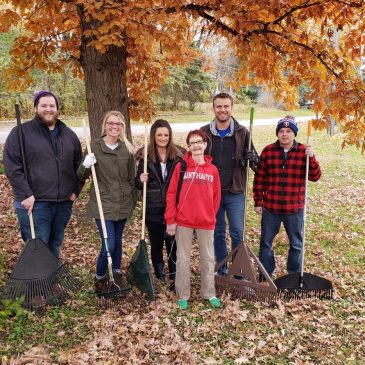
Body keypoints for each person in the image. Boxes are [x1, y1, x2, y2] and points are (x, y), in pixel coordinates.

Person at [3, 90, 82, 258]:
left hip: (63, 202)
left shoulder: (68, 135)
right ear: (35, 108)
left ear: (57, 108)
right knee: (38, 246)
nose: (48, 109)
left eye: (52, 105)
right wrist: (25, 194)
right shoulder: (21, 133)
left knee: (55, 243)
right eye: (43, 105)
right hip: (35, 202)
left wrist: (76, 190)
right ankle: (37, 283)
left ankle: (50, 282)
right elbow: (12, 166)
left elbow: (79, 166)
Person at [253, 116, 321, 277]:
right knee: (266, 243)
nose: (284, 134)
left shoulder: (303, 151)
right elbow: (260, 178)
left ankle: (294, 275)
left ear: (294, 133)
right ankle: (265, 273)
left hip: (294, 208)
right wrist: (258, 201)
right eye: (281, 131)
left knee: (296, 244)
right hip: (271, 207)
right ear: (277, 133)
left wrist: (311, 158)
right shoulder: (268, 151)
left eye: (289, 131)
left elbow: (315, 176)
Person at [77, 111, 136, 292]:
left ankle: (116, 274)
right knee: (108, 244)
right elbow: (80, 175)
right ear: (105, 125)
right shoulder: (94, 146)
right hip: (103, 203)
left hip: (123, 202)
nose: (114, 127)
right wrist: (85, 165)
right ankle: (100, 276)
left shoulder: (127, 149)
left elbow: (131, 179)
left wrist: (134, 199)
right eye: (110, 123)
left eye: (118, 124)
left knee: (117, 241)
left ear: (122, 127)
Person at [200, 92, 259, 275]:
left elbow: (256, 165)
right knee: (217, 233)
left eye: (226, 106)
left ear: (231, 108)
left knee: (236, 233)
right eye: (219, 106)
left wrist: (253, 158)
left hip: (235, 192)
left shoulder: (242, 132)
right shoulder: (204, 132)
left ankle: (238, 269)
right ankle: (221, 268)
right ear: (213, 108)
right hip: (212, 193)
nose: (223, 110)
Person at [165, 130, 221, 310]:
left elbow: (216, 197)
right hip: (184, 221)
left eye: (199, 142)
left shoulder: (212, 170)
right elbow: (171, 193)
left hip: (206, 221)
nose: (196, 146)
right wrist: (170, 219)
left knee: (208, 259)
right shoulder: (181, 167)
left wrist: (211, 215)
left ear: (205, 144)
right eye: (192, 143)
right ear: (188, 147)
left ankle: (209, 293)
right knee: (182, 259)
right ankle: (183, 294)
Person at [135, 119, 184, 288]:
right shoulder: (145, 156)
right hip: (152, 208)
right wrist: (140, 180)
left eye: (166, 135)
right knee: (156, 243)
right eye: (159, 135)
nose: (163, 138)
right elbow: (136, 183)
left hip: (172, 208)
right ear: (153, 136)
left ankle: (173, 274)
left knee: (172, 243)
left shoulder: (178, 156)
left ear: (170, 136)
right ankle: (159, 273)